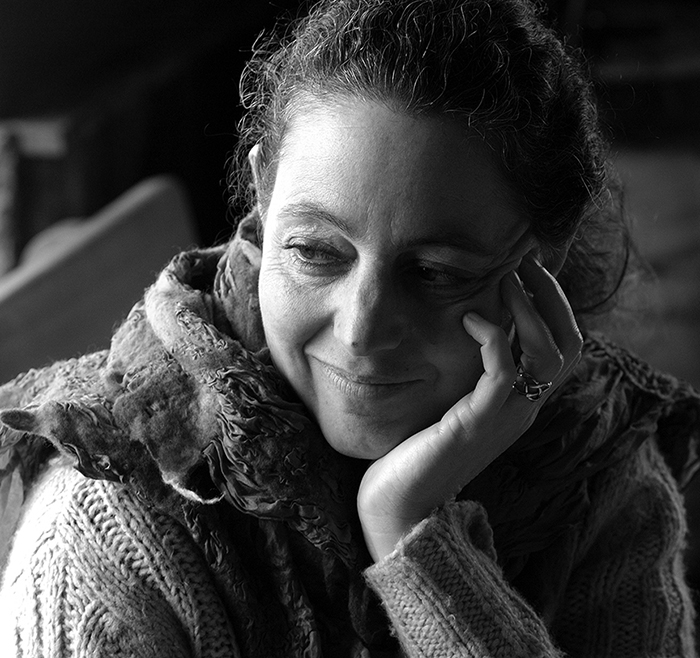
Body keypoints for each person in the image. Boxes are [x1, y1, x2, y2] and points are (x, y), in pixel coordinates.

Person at [0, 0, 698, 655]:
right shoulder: (107, 525)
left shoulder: (596, 472)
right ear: (264, 199)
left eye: (435, 272)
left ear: (544, 260)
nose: (362, 328)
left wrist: (413, 537)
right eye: (315, 252)